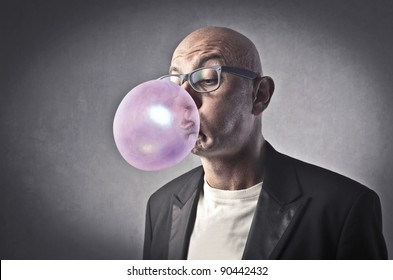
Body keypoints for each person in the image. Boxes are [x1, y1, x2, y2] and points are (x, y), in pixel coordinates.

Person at [143, 26, 388, 260]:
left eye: (207, 79)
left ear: (260, 95)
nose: (183, 100)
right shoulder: (161, 206)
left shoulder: (344, 207)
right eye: (175, 83)